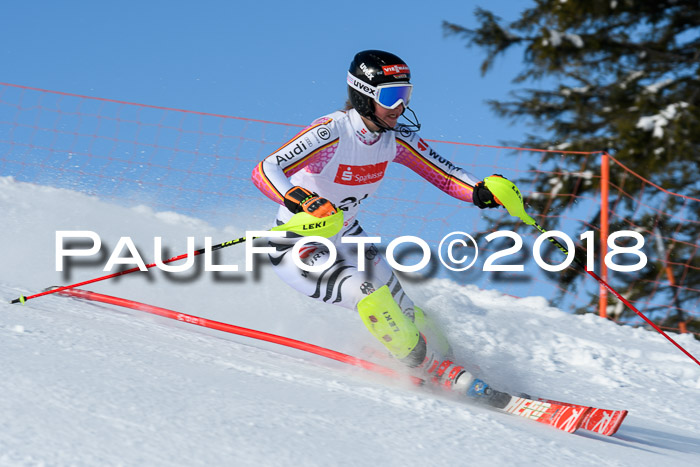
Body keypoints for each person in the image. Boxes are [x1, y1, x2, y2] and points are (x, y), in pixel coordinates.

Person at [251, 50, 509, 407]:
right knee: (370, 295)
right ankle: (432, 369)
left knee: (415, 316)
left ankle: (455, 367)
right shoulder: (332, 132)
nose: (399, 106)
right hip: (298, 245)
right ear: (362, 94)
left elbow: (444, 174)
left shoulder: (394, 137)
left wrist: (480, 192)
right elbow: (266, 169)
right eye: (390, 97)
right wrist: (301, 200)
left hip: (348, 237)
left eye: (405, 95)